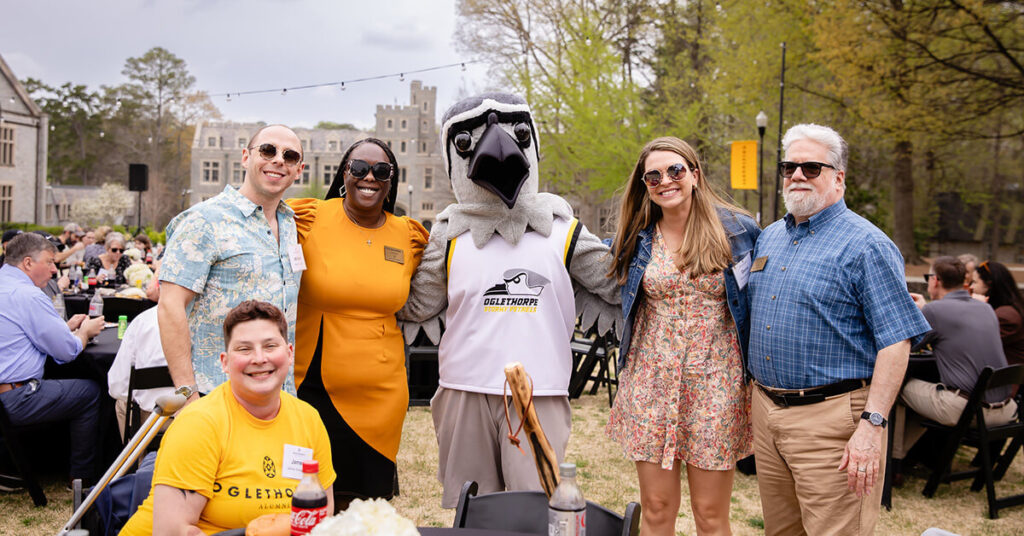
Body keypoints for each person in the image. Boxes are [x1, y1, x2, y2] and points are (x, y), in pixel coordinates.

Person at [747, 123, 930, 535]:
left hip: (834, 422)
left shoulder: (868, 245)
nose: (797, 175)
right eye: (788, 166)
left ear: (838, 177)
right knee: (780, 531)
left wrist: (872, 424)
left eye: (811, 167)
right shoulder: (770, 238)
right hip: (767, 412)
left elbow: (897, 341)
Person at [605, 137, 759, 536]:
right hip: (650, 387)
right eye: (653, 175)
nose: (665, 181)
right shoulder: (636, 238)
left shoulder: (739, 233)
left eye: (675, 170)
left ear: (694, 174)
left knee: (710, 515)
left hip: (715, 389)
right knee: (656, 510)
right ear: (645, 185)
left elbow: (773, 291)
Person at [286, 138, 427, 507]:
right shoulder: (309, 218)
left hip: (381, 392)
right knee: (308, 498)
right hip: (313, 386)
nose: (370, 178)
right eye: (359, 168)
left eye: (381, 171)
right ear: (344, 173)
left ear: (391, 179)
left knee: (368, 504)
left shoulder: (408, 235)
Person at [120, 301, 335, 536]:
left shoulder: (308, 419)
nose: (259, 358)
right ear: (224, 361)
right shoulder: (200, 424)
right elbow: (172, 532)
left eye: (270, 345)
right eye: (244, 349)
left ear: (289, 353)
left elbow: (323, 518)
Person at [158, 124, 304, 399]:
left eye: (290, 156)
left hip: (277, 392)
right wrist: (188, 395)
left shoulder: (290, 224)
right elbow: (170, 306)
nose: (278, 160)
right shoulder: (204, 220)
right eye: (267, 150)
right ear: (246, 157)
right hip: (216, 393)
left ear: (299, 169)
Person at [0, 232, 106, 485]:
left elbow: (20, 336)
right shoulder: (29, 295)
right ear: (27, 263)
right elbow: (67, 352)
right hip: (12, 399)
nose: (53, 270)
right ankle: (81, 476)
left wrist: (64, 328)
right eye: (48, 262)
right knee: (90, 391)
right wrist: (84, 332)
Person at [897, 257, 1016, 468]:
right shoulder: (986, 309)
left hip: (968, 409)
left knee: (896, 387)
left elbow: (904, 346)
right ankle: (911, 455)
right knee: (925, 391)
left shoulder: (936, 311)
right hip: (1006, 409)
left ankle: (895, 461)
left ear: (935, 280)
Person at [108, 273, 170, 439]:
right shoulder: (218, 325)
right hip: (200, 419)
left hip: (151, 421)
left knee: (122, 402)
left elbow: (117, 386)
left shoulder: (143, 321)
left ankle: (135, 460)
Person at [973, 260, 1024, 365]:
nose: (971, 287)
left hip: (1005, 379)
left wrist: (980, 309)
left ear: (989, 284)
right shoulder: (1008, 310)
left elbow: (976, 344)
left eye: (975, 282)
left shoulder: (1006, 316)